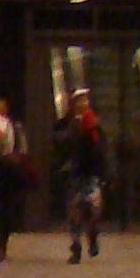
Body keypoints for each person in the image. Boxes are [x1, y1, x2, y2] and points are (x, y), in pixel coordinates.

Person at [55, 90, 109, 263]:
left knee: (94, 209)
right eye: (79, 100)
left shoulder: (94, 123)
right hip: (74, 174)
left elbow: (101, 148)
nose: (83, 103)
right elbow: (59, 143)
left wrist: (104, 170)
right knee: (74, 211)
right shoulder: (66, 123)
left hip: (91, 173)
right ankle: (76, 246)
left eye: (85, 100)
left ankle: (92, 234)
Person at [0, 98, 32, 261]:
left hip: (11, 172)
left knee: (8, 210)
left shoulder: (16, 128)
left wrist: (16, 157)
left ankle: (4, 242)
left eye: (1, 109)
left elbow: (23, 149)